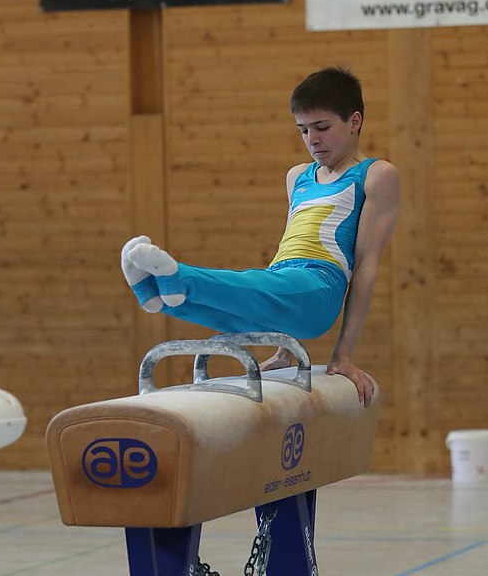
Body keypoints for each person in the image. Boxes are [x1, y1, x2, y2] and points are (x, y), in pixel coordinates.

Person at [121, 67, 400, 407]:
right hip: (282, 279)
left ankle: (178, 276)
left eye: (322, 127)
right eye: (303, 130)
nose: (312, 139)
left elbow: (367, 264)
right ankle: (154, 292)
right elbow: (285, 260)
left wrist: (343, 353)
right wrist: (285, 350)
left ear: (354, 121)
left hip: (320, 288)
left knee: (243, 285)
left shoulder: (375, 175)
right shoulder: (297, 176)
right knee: (224, 313)